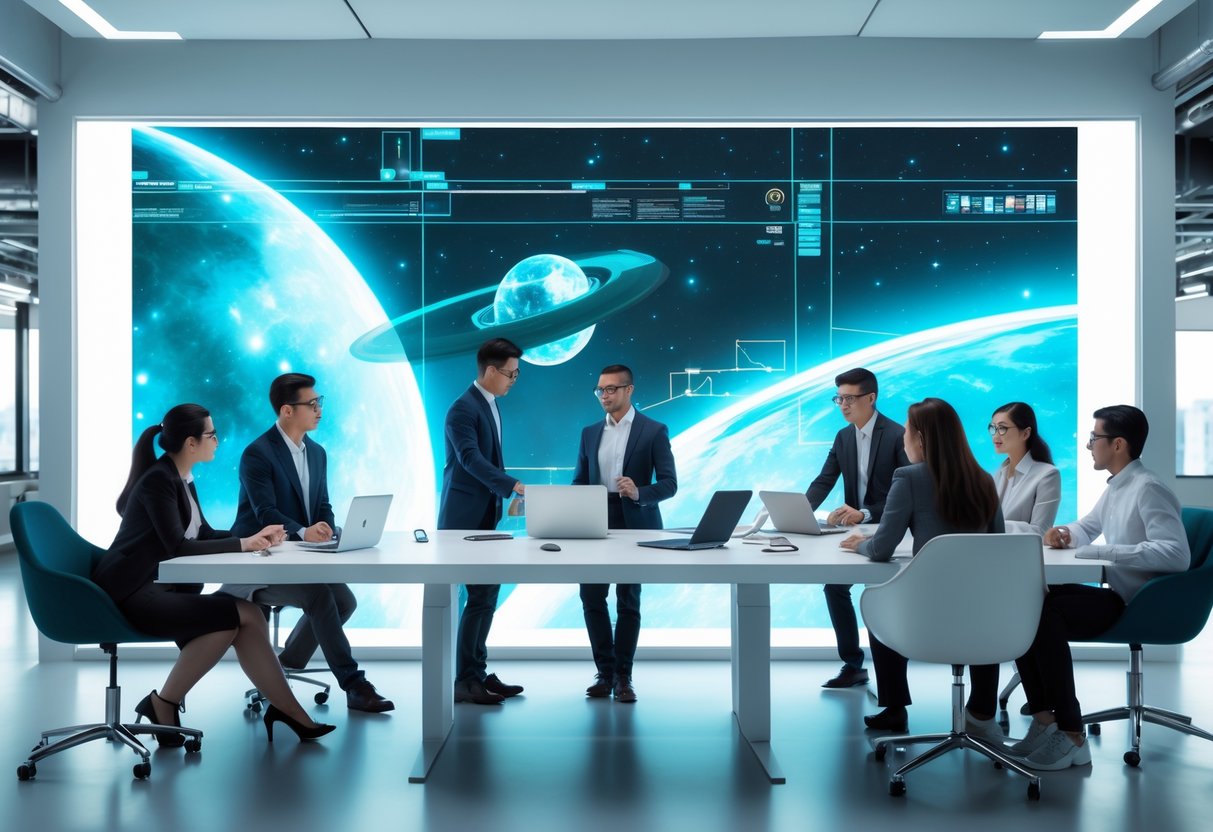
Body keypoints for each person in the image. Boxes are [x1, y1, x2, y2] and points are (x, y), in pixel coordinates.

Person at [91, 404, 335, 743]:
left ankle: (279, 709)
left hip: (162, 588)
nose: (218, 441)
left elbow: (201, 533)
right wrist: (243, 545)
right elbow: (177, 546)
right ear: (191, 443)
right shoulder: (158, 481)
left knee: (241, 617)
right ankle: (168, 702)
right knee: (238, 617)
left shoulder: (181, 478)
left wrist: (255, 536)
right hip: (135, 592)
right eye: (212, 435)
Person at [1009, 405, 1190, 771]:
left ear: (1118, 444)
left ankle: (1073, 735)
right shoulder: (1119, 485)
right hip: (1121, 595)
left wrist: (1100, 551)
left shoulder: (1148, 488)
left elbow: (1176, 554)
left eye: (1095, 438)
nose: (1089, 445)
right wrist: (1067, 534)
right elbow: (1089, 525)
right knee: (1025, 604)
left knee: (1046, 615)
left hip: (1138, 604)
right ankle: (1045, 721)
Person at [218, 373, 393, 714]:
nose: (318, 410)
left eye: (319, 402)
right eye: (311, 404)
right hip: (260, 558)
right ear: (286, 410)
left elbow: (321, 504)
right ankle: (354, 684)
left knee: (344, 601)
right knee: (321, 596)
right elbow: (264, 511)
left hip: (298, 557)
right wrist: (302, 530)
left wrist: (327, 526)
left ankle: (286, 663)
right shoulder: (258, 454)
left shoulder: (317, 453)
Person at [840, 397, 1004, 735]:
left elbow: (883, 548)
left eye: (908, 433)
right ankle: (983, 710)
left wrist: (860, 545)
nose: (903, 439)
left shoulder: (910, 477)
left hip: (926, 620)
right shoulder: (984, 480)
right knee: (982, 609)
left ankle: (895, 707)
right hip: (984, 618)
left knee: (877, 602)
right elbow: (997, 549)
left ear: (922, 439)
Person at [571, 364, 677, 703]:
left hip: (635, 522)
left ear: (629, 390)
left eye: (612, 389)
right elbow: (579, 480)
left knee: (627, 600)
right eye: (600, 390)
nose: (605, 395)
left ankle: (624, 677)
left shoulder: (653, 430)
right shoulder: (589, 432)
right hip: (594, 520)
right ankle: (604, 672)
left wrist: (639, 492)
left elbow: (670, 483)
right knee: (591, 596)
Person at [805, 367, 911, 689]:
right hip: (855, 531)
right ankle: (853, 665)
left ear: (871, 398)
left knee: (878, 598)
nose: (843, 405)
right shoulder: (843, 436)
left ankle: (892, 688)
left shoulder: (896, 435)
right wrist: (799, 511)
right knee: (834, 587)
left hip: (891, 530)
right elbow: (825, 479)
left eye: (849, 398)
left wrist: (865, 513)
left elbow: (907, 493)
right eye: (839, 398)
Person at [438, 338, 528, 705]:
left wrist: (505, 498)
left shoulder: (489, 405)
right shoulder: (463, 409)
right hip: (463, 523)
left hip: (483, 519)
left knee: (486, 595)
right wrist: (512, 486)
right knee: (477, 597)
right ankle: (465, 681)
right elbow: (470, 460)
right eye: (510, 373)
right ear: (490, 370)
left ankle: (475, 672)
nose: (513, 381)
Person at [989, 401, 1062, 536]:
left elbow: (1040, 531)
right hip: (994, 550)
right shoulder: (998, 474)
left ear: (1025, 433)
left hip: (1023, 554)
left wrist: (991, 524)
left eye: (1002, 428)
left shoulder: (1048, 475)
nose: (995, 435)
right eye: (993, 428)